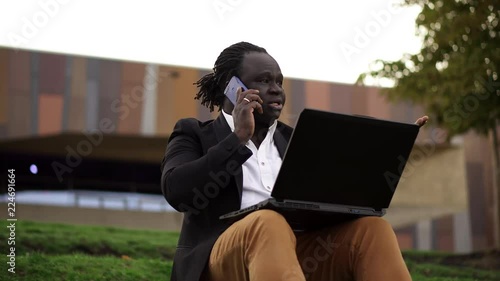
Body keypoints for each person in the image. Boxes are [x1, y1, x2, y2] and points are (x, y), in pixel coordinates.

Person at [160, 41, 429, 281]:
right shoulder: (193, 133)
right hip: (221, 258)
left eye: (279, 82)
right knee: (267, 221)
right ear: (231, 89)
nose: (276, 90)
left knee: (372, 230)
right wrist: (238, 139)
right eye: (264, 81)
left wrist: (383, 150)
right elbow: (178, 192)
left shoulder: (298, 140)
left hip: (296, 253)